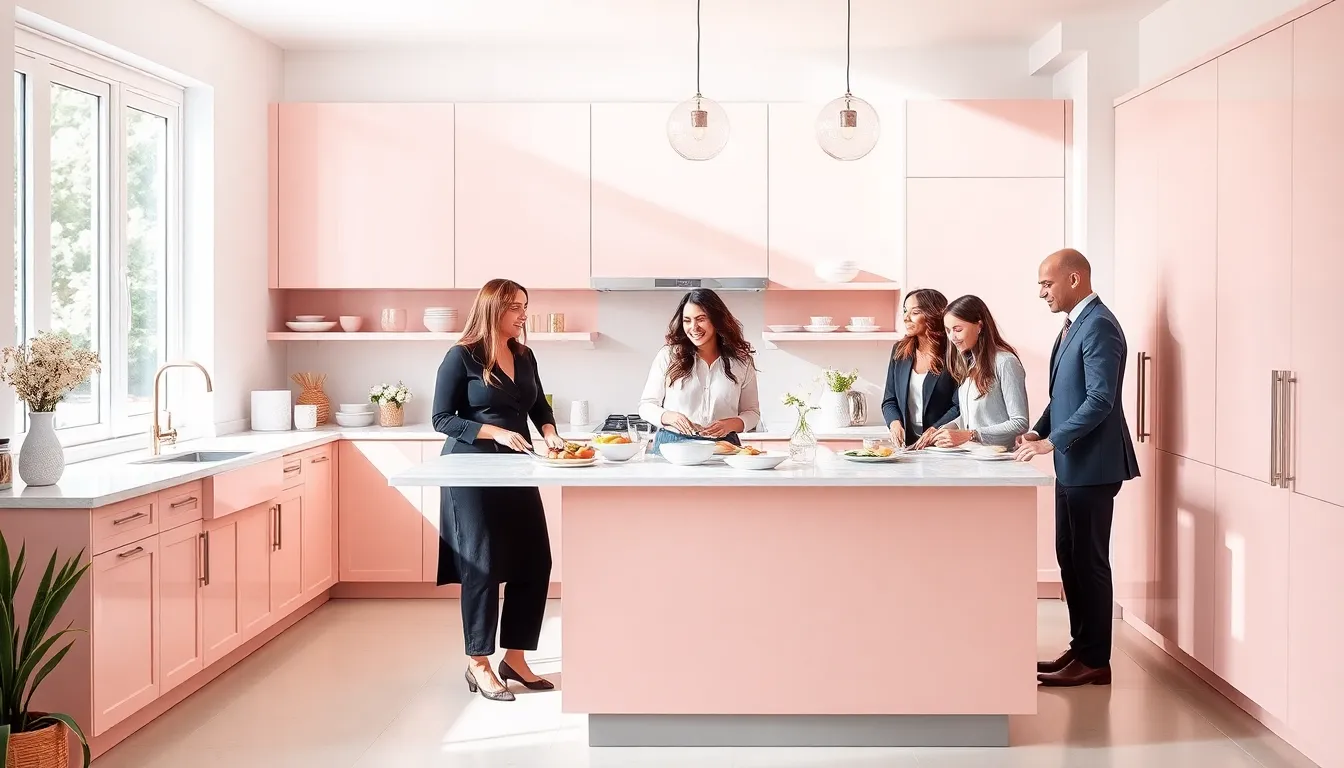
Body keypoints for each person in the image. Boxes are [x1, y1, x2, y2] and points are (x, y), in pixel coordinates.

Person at [431, 278, 566, 701]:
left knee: (535, 561)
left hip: (516, 467)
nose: (524, 314)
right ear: (494, 309)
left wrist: (550, 432)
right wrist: (493, 432)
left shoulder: (524, 355)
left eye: (525, 305)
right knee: (483, 567)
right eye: (516, 307)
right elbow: (442, 418)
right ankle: (479, 662)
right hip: (469, 471)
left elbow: (540, 406)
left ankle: (516, 658)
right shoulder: (460, 357)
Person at [1014, 248, 1140, 687]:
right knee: (1069, 555)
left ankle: (1095, 661)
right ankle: (1081, 648)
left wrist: (1053, 441)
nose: (1042, 294)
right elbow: (1063, 396)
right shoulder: (1073, 327)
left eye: (1046, 284)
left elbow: (1100, 400)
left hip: (1094, 464)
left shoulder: (1100, 325)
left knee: (1089, 561)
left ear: (1073, 279)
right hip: (1072, 464)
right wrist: (1036, 432)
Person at [638, 288, 760, 454]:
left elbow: (752, 413)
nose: (693, 327)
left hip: (723, 447)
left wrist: (729, 424)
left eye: (701, 319)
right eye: (687, 320)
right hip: (672, 446)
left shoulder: (742, 362)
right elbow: (646, 405)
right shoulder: (668, 356)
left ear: (717, 320)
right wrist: (669, 417)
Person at [928, 295, 1029, 450]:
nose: (952, 337)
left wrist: (971, 434)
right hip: (975, 459)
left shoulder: (1006, 362)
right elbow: (972, 419)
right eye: (948, 331)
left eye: (958, 329)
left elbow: (1020, 423)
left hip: (999, 462)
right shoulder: (971, 365)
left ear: (980, 326)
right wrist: (941, 430)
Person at [881, 288, 960, 448]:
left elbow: (959, 405)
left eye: (914, 312)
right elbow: (889, 400)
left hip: (942, 445)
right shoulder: (899, 351)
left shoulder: (954, 352)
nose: (906, 318)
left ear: (932, 315)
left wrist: (935, 429)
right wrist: (894, 423)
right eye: (904, 311)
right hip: (908, 447)